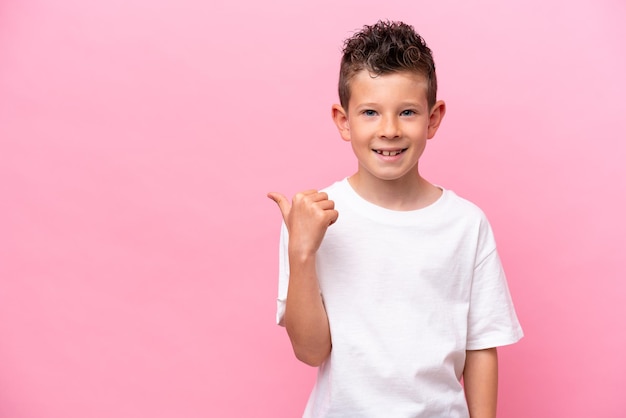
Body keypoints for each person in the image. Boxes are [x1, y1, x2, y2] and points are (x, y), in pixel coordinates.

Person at [267, 20, 523, 418]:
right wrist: (301, 251)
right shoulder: (312, 219)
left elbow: (481, 345)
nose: (389, 130)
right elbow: (310, 351)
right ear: (343, 120)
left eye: (407, 112)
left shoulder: (465, 224)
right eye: (370, 112)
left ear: (433, 118)